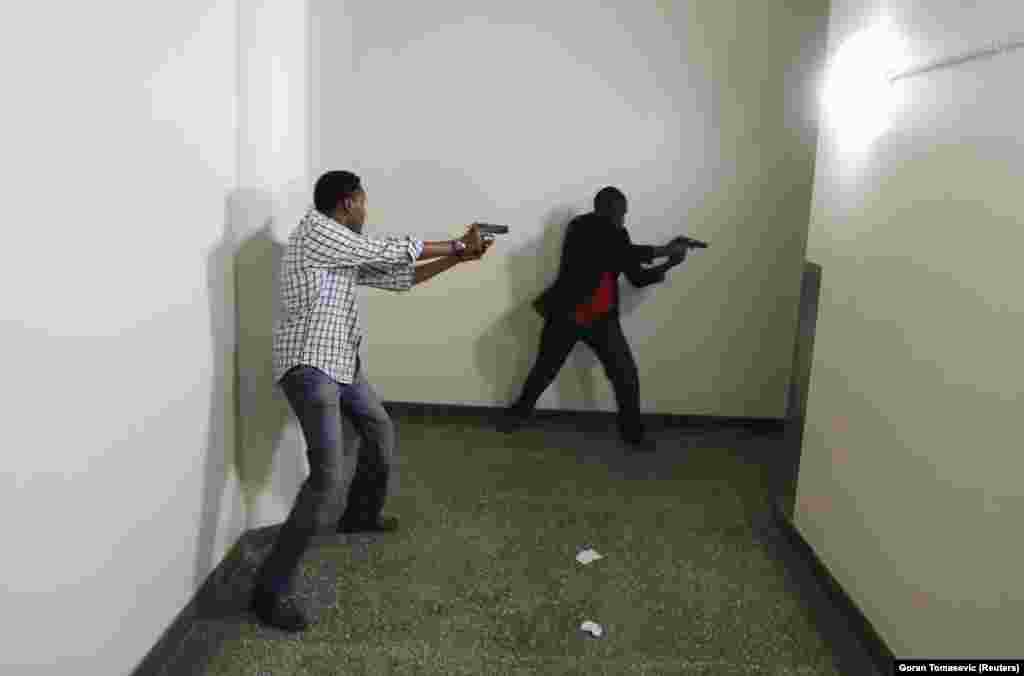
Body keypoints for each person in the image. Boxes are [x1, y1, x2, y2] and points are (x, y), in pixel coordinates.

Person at [250, 170, 493, 632]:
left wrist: (458, 259)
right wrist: (457, 244)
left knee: (379, 429)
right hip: (311, 364)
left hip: (341, 362)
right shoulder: (319, 231)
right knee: (325, 478)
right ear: (347, 203)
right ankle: (269, 591)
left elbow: (397, 275)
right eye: (363, 202)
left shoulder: (338, 248)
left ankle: (360, 515)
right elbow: (382, 250)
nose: (366, 211)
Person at [496, 186, 689, 451]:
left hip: (602, 320)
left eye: (624, 214)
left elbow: (637, 277)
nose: (622, 219)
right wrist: (664, 249)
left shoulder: (619, 235)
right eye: (618, 213)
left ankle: (633, 434)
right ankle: (516, 416)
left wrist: (670, 263)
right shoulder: (581, 227)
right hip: (568, 315)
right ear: (601, 208)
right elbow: (615, 250)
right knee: (544, 371)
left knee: (626, 375)